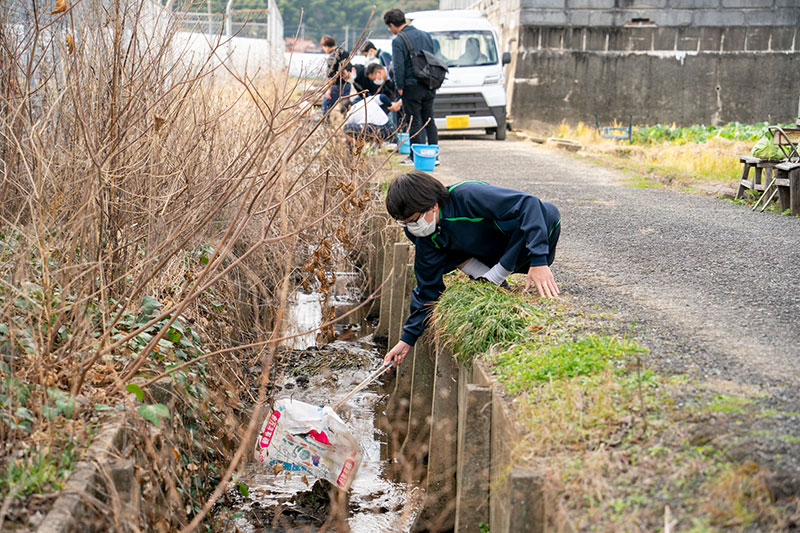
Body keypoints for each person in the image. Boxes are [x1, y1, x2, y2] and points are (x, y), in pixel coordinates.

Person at [382, 171, 561, 366]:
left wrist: (539, 260)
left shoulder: (467, 195)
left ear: (433, 205)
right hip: (486, 257)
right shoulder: (423, 235)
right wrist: (407, 340)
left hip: (520, 246)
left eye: (414, 221)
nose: (411, 227)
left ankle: (496, 276)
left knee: (547, 211)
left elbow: (528, 203)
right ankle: (487, 276)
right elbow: (427, 289)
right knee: (435, 254)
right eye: (404, 224)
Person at [384, 8, 439, 165]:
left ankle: (416, 157)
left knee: (414, 120)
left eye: (390, 27)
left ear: (392, 24)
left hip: (411, 85)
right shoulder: (426, 35)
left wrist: (399, 85)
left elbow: (398, 66)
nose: (391, 30)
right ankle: (435, 156)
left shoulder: (398, 40)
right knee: (429, 119)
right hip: (429, 83)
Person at [320, 35, 349, 114]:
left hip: (336, 85)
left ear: (326, 46)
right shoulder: (344, 52)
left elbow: (330, 75)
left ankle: (326, 124)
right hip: (346, 85)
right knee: (345, 107)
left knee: (326, 105)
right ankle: (346, 124)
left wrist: (328, 90)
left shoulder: (332, 57)